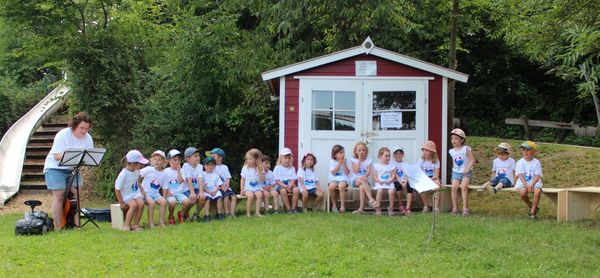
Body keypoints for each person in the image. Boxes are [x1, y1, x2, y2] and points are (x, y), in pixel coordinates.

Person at [43, 112, 94, 229]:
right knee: (59, 195)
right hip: (55, 167)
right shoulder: (63, 134)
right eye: (82, 128)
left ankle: (77, 224)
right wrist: (75, 156)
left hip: (73, 168)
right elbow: (56, 156)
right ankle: (58, 226)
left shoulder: (88, 138)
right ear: (75, 125)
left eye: (87, 128)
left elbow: (89, 156)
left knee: (78, 194)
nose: (84, 131)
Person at [114, 150, 148, 231]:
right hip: (126, 195)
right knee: (134, 205)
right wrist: (121, 202)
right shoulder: (123, 174)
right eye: (140, 163)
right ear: (133, 163)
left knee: (141, 204)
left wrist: (142, 190)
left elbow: (137, 182)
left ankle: (135, 225)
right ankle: (126, 226)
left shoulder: (137, 171)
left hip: (135, 193)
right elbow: (117, 189)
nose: (142, 165)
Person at [448, 128, 476, 216]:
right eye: (452, 138)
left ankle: (465, 208)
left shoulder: (466, 149)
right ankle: (455, 208)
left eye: (456, 138)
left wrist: (467, 169)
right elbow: (454, 163)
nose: (454, 140)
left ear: (462, 140)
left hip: (466, 172)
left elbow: (472, 160)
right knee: (454, 187)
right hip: (456, 172)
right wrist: (453, 173)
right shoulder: (451, 151)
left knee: (464, 187)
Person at [139, 150, 168, 228]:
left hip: (155, 194)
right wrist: (139, 186)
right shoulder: (148, 169)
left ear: (164, 162)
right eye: (155, 159)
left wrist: (164, 198)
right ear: (152, 160)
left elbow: (165, 188)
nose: (157, 161)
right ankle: (151, 224)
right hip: (145, 193)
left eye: (159, 160)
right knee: (152, 203)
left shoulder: (164, 174)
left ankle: (161, 222)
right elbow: (138, 174)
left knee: (164, 202)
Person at [515, 141, 543, 219]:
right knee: (522, 193)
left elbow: (537, 175)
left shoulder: (536, 162)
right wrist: (526, 185)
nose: (525, 152)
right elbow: (520, 175)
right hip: (524, 182)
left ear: (533, 151)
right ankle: (530, 205)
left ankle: (532, 212)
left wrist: (531, 185)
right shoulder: (520, 162)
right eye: (523, 150)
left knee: (537, 191)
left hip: (534, 182)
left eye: (527, 150)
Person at [350, 142, 378, 214]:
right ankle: (371, 199)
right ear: (355, 151)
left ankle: (361, 209)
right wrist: (359, 160)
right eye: (359, 150)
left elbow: (368, 172)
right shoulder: (354, 160)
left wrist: (365, 176)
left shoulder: (369, 160)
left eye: (363, 150)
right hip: (355, 180)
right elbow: (356, 171)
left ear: (366, 151)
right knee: (361, 181)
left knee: (362, 187)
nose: (361, 152)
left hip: (364, 181)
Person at [164, 150, 190, 225]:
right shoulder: (166, 171)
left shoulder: (181, 171)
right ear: (169, 161)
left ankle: (181, 214)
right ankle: (171, 216)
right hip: (170, 193)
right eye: (175, 160)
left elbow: (180, 181)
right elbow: (164, 183)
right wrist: (167, 192)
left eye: (179, 160)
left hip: (179, 193)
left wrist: (178, 171)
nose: (178, 161)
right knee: (172, 202)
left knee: (187, 202)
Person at [211, 148, 237, 217]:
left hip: (226, 186)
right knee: (226, 197)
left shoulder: (225, 167)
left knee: (234, 197)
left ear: (220, 158)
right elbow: (213, 180)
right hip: (218, 188)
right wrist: (221, 186)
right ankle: (226, 212)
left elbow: (228, 177)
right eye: (211, 157)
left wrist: (227, 185)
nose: (212, 158)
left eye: (214, 156)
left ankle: (232, 213)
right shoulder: (212, 167)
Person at [372, 147, 397, 216]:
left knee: (391, 191)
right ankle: (377, 208)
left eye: (389, 156)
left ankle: (391, 208)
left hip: (389, 182)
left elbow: (393, 175)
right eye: (386, 156)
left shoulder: (391, 165)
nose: (388, 157)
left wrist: (390, 180)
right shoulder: (376, 165)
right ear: (380, 156)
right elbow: (374, 176)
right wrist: (378, 181)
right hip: (380, 182)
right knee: (379, 191)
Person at [418, 141, 442, 212]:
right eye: (423, 150)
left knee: (437, 185)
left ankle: (436, 207)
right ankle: (426, 206)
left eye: (427, 150)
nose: (424, 152)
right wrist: (425, 179)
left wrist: (431, 179)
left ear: (432, 152)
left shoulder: (436, 161)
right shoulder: (421, 161)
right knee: (421, 188)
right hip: (424, 178)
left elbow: (436, 175)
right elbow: (419, 173)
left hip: (433, 178)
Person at [240, 148, 265, 217]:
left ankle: (257, 212)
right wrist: (242, 189)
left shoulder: (260, 168)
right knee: (250, 196)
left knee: (260, 195)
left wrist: (258, 169)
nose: (248, 161)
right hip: (248, 188)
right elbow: (242, 179)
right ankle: (248, 213)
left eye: (250, 159)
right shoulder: (245, 168)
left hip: (257, 187)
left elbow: (262, 179)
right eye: (247, 159)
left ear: (256, 160)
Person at [182, 147, 204, 222]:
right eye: (195, 156)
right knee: (192, 199)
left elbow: (200, 178)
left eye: (198, 156)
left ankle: (196, 215)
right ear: (188, 159)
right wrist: (192, 192)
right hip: (187, 188)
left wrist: (201, 192)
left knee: (202, 199)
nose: (198, 157)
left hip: (196, 188)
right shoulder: (185, 166)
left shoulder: (200, 166)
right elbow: (188, 179)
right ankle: (185, 214)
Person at [274, 147, 299, 213]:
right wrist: (286, 187)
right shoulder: (277, 168)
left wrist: (290, 186)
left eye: (289, 158)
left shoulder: (292, 168)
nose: (287, 160)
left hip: (290, 185)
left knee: (296, 190)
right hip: (281, 185)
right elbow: (277, 181)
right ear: (280, 159)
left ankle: (293, 208)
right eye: (285, 158)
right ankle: (289, 209)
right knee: (283, 191)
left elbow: (293, 179)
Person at [327, 145, 351, 213]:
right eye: (340, 153)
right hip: (334, 177)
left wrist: (345, 164)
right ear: (335, 155)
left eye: (343, 152)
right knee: (331, 186)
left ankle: (342, 206)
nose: (343, 154)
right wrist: (339, 164)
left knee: (341, 186)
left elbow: (347, 173)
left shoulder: (346, 161)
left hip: (343, 177)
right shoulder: (332, 161)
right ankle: (334, 206)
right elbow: (334, 173)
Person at [201, 156, 224, 222]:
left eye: (212, 164)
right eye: (208, 164)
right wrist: (208, 191)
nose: (210, 166)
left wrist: (215, 191)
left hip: (215, 190)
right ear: (204, 166)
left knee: (219, 198)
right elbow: (202, 186)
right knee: (207, 200)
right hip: (206, 191)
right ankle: (207, 215)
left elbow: (218, 185)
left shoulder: (216, 174)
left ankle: (219, 214)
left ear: (214, 166)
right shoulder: (202, 174)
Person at [391, 147, 412, 214]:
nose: (398, 155)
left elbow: (406, 174)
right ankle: (400, 204)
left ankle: (408, 207)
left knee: (410, 187)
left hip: (404, 180)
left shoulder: (406, 164)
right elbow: (395, 174)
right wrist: (401, 183)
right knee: (397, 186)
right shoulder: (392, 164)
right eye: (396, 154)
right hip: (396, 180)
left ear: (403, 155)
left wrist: (405, 182)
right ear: (394, 155)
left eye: (400, 153)